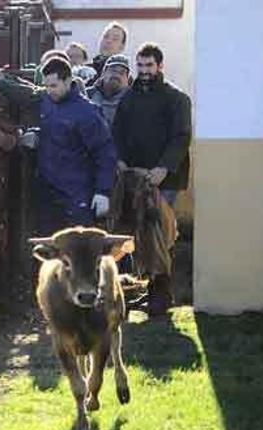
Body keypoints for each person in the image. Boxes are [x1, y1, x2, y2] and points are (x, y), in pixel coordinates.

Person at [0, 57, 117, 236]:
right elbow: (29, 93)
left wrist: (103, 192)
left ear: (68, 81)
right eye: (47, 86)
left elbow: (105, 153)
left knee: (77, 249)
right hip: (49, 194)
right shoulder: (48, 100)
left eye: (53, 86)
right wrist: (37, 136)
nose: (49, 91)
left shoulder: (88, 114)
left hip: (77, 196)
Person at [111, 42, 191, 315]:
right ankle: (151, 291)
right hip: (134, 177)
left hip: (165, 180)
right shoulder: (128, 99)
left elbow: (181, 137)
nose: (144, 71)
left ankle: (161, 295)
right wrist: (121, 160)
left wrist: (164, 168)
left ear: (160, 66)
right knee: (140, 233)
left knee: (160, 232)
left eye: (149, 65)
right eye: (141, 66)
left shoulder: (177, 99)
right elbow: (117, 133)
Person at [86, 54, 132, 130]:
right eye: (113, 70)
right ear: (103, 73)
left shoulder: (132, 102)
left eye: (122, 72)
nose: (116, 75)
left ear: (127, 79)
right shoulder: (87, 96)